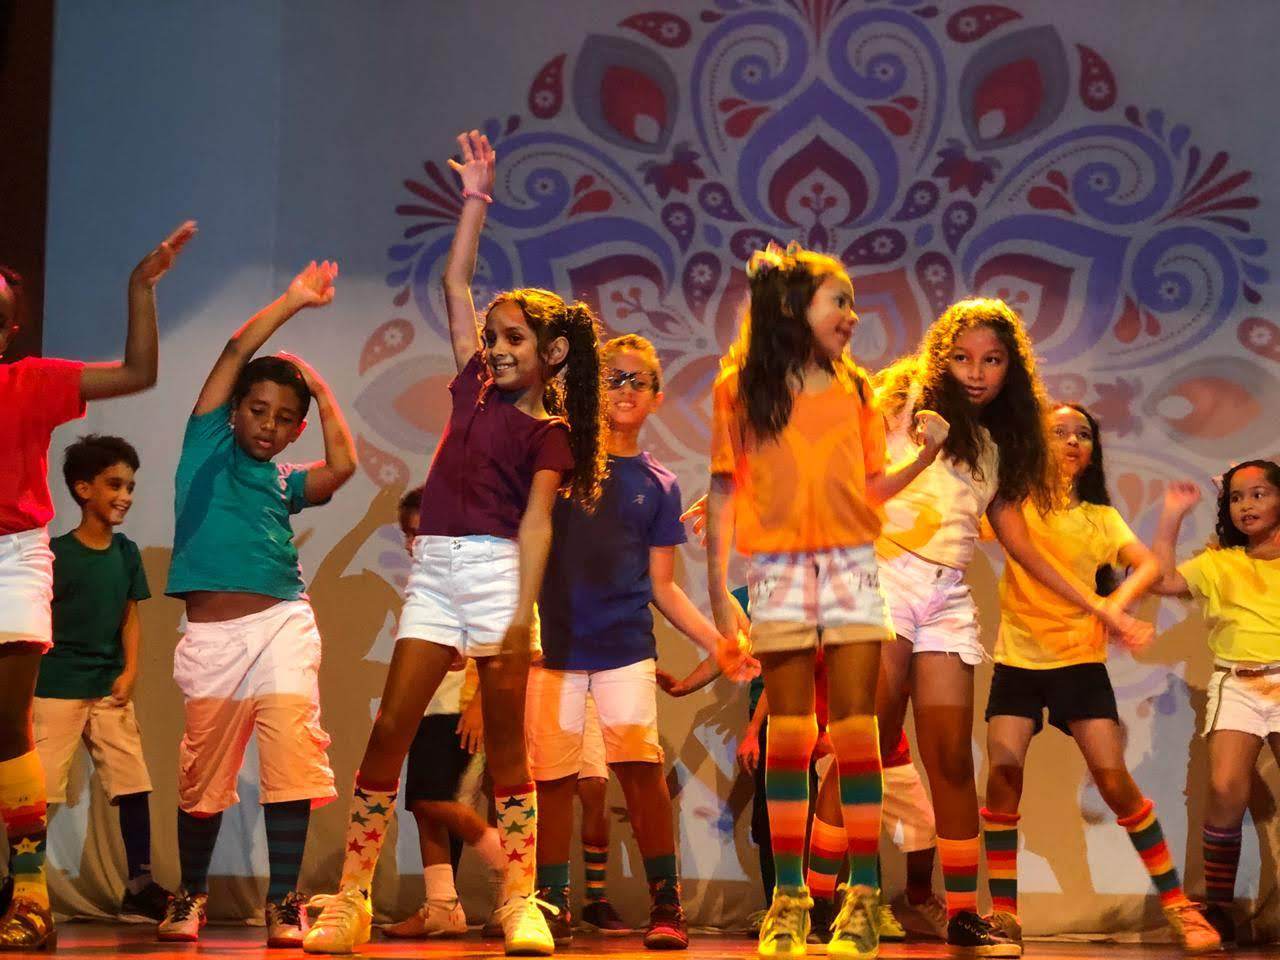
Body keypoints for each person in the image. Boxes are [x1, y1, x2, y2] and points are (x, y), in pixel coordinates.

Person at [303, 129, 608, 957]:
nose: (498, 348)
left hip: (503, 576)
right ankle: (351, 897)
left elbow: (537, 523)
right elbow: (454, 280)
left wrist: (519, 611)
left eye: (515, 340)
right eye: (493, 336)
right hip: (436, 572)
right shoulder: (472, 384)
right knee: (390, 730)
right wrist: (476, 198)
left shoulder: (549, 434)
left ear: (551, 355)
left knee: (507, 747)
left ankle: (520, 899)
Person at [868, 298, 1149, 956]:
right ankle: (826, 899)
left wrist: (1098, 606)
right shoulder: (900, 403)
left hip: (944, 596)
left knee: (949, 756)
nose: (976, 372)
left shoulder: (999, 445)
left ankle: (965, 913)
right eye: (963, 358)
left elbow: (1021, 544)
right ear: (940, 359)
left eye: (992, 360)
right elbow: (831, 460)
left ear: (1009, 369)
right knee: (869, 744)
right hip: (883, 579)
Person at [704, 241, 947, 959]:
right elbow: (724, 486)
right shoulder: (741, 387)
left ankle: (862, 897)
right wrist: (718, 593)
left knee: (854, 732)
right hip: (778, 567)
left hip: (849, 566)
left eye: (852, 302)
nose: (852, 314)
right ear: (793, 308)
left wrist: (926, 455)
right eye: (838, 300)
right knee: (789, 732)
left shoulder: (858, 389)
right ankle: (789, 900)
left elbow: (870, 488)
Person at [0, 221, 195, 951]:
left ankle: (30, 897)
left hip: (12, 556)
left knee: (9, 727)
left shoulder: (30, 381)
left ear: (9, 329)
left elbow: (138, 372)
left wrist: (141, 289)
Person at [528, 333, 754, 950]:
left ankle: (666, 902)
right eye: (613, 378)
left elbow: (663, 585)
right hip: (554, 650)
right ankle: (549, 900)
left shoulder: (658, 483)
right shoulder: (558, 464)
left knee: (639, 770)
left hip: (625, 648)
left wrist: (719, 641)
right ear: (592, 389)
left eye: (638, 380)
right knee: (553, 778)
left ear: (657, 397)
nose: (625, 389)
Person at [157, 260, 357, 947]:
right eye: (259, 410)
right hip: (213, 639)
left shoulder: (283, 481)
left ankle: (284, 901)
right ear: (234, 411)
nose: (269, 426)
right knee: (201, 777)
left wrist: (321, 394)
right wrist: (293, 301)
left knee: (292, 758)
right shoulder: (205, 445)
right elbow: (236, 349)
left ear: (296, 430)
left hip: (282, 624)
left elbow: (342, 469)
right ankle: (190, 893)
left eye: (285, 419)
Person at [980, 403, 1219, 956]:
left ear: (1092, 451)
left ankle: (1179, 905)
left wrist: (1115, 606)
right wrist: (1109, 611)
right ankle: (1005, 915)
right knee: (1003, 775)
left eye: (1082, 434)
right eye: (1058, 432)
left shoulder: (1101, 517)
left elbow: (1150, 567)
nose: (1072, 441)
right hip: (1018, 661)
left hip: (1079, 662)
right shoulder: (1012, 504)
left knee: (1113, 782)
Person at [32, 437, 171, 922]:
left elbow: (130, 616)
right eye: (114, 484)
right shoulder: (55, 555)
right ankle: (22, 885)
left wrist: (130, 670)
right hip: (56, 687)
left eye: (130, 486)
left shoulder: (126, 552)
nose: (125, 495)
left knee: (133, 783)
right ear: (83, 488)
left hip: (108, 686)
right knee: (41, 791)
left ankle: (140, 885)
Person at [1151, 459, 1280, 947]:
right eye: (1237, 497)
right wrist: (1171, 515)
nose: (1246, 505)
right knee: (1225, 789)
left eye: (1259, 494)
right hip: (1237, 683)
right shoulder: (1220, 562)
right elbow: (1161, 580)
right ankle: (1219, 910)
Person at [381, 485, 506, 940]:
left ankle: (508, 864)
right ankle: (441, 905)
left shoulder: (470, 576)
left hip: (458, 704)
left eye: (423, 532)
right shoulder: (425, 583)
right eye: (409, 534)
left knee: (437, 800)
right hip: (429, 705)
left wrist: (479, 705)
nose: (415, 542)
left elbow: (493, 644)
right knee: (423, 806)